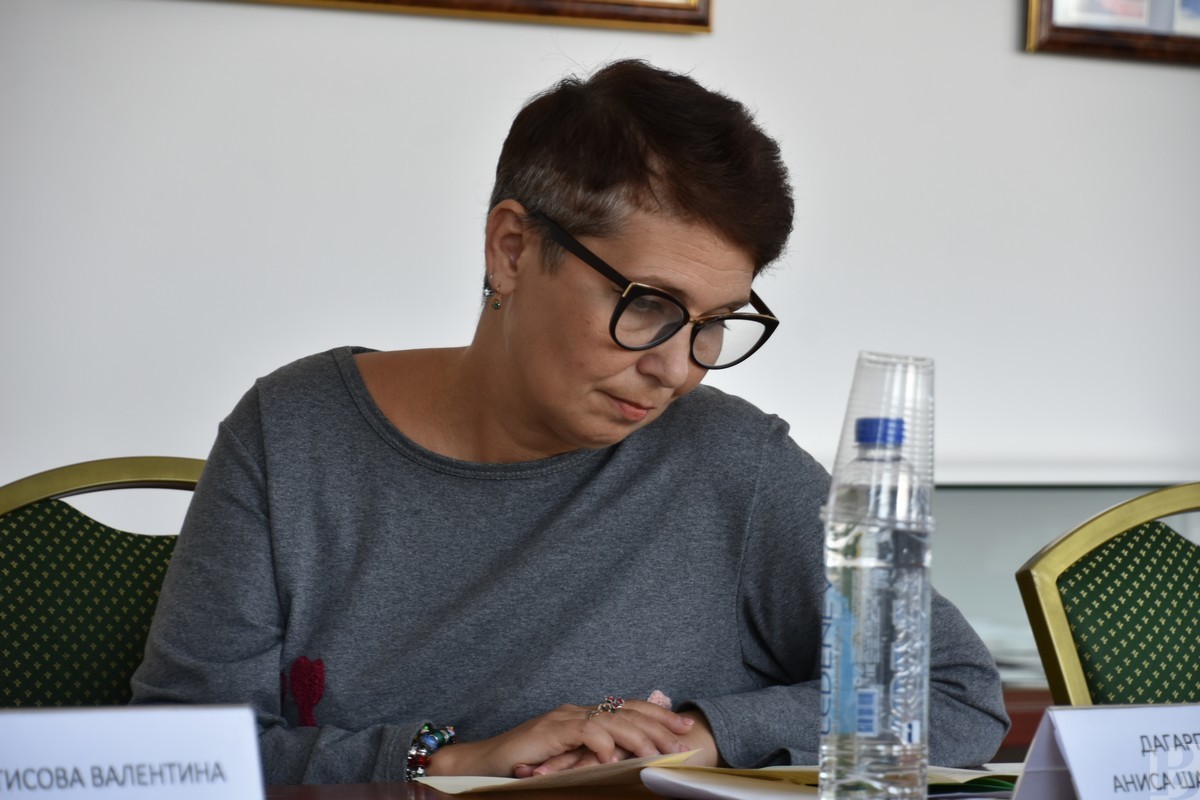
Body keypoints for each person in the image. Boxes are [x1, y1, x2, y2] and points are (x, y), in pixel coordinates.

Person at [130, 59, 1009, 785]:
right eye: (649, 304)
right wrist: (447, 761)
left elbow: (951, 693)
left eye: (715, 323)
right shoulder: (293, 435)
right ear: (512, 250)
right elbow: (179, 759)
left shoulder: (731, 463)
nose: (678, 368)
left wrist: (705, 735)